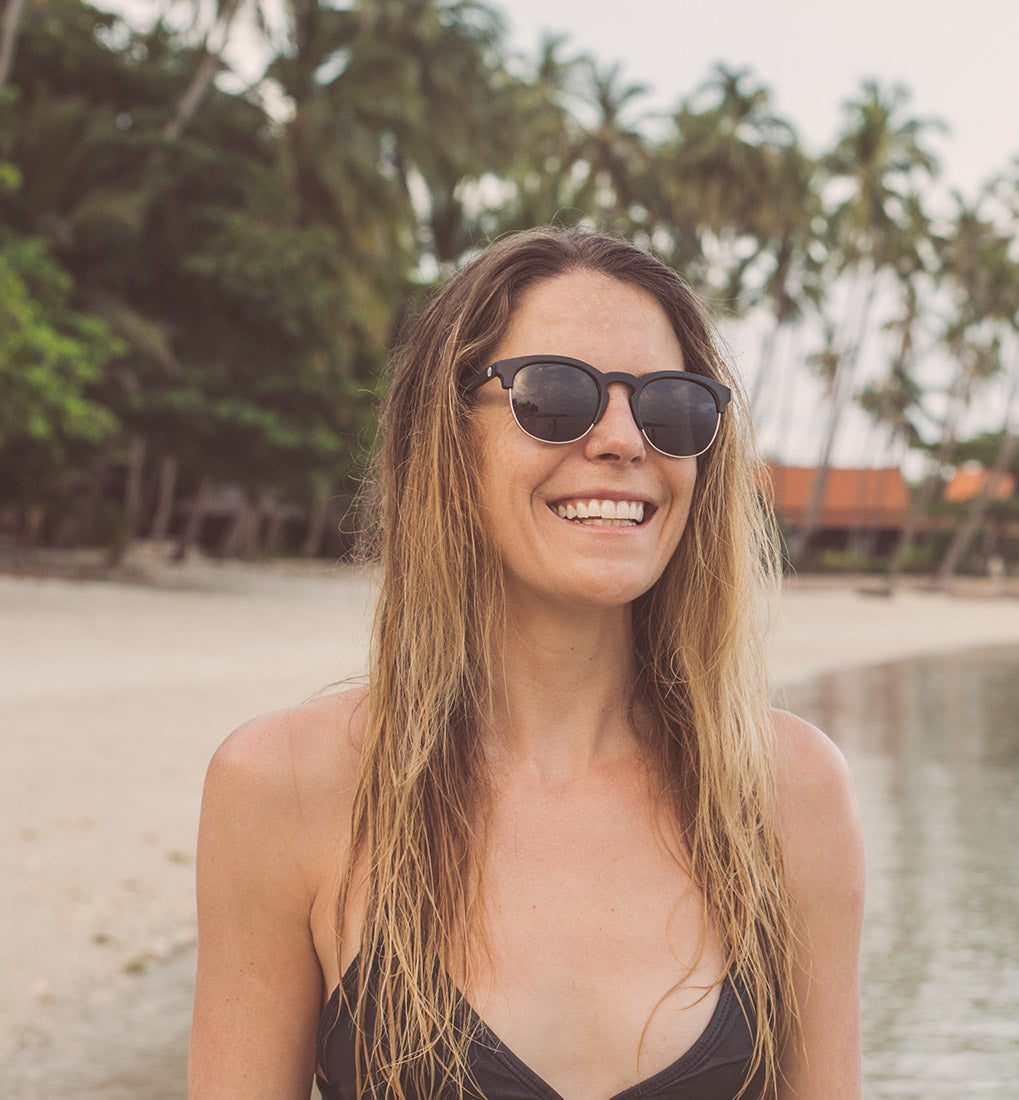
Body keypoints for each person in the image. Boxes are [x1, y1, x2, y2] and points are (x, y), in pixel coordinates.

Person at [188, 227, 864, 1099]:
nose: (626, 440)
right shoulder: (285, 786)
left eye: (671, 407)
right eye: (554, 396)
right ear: (445, 439)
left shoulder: (788, 793)